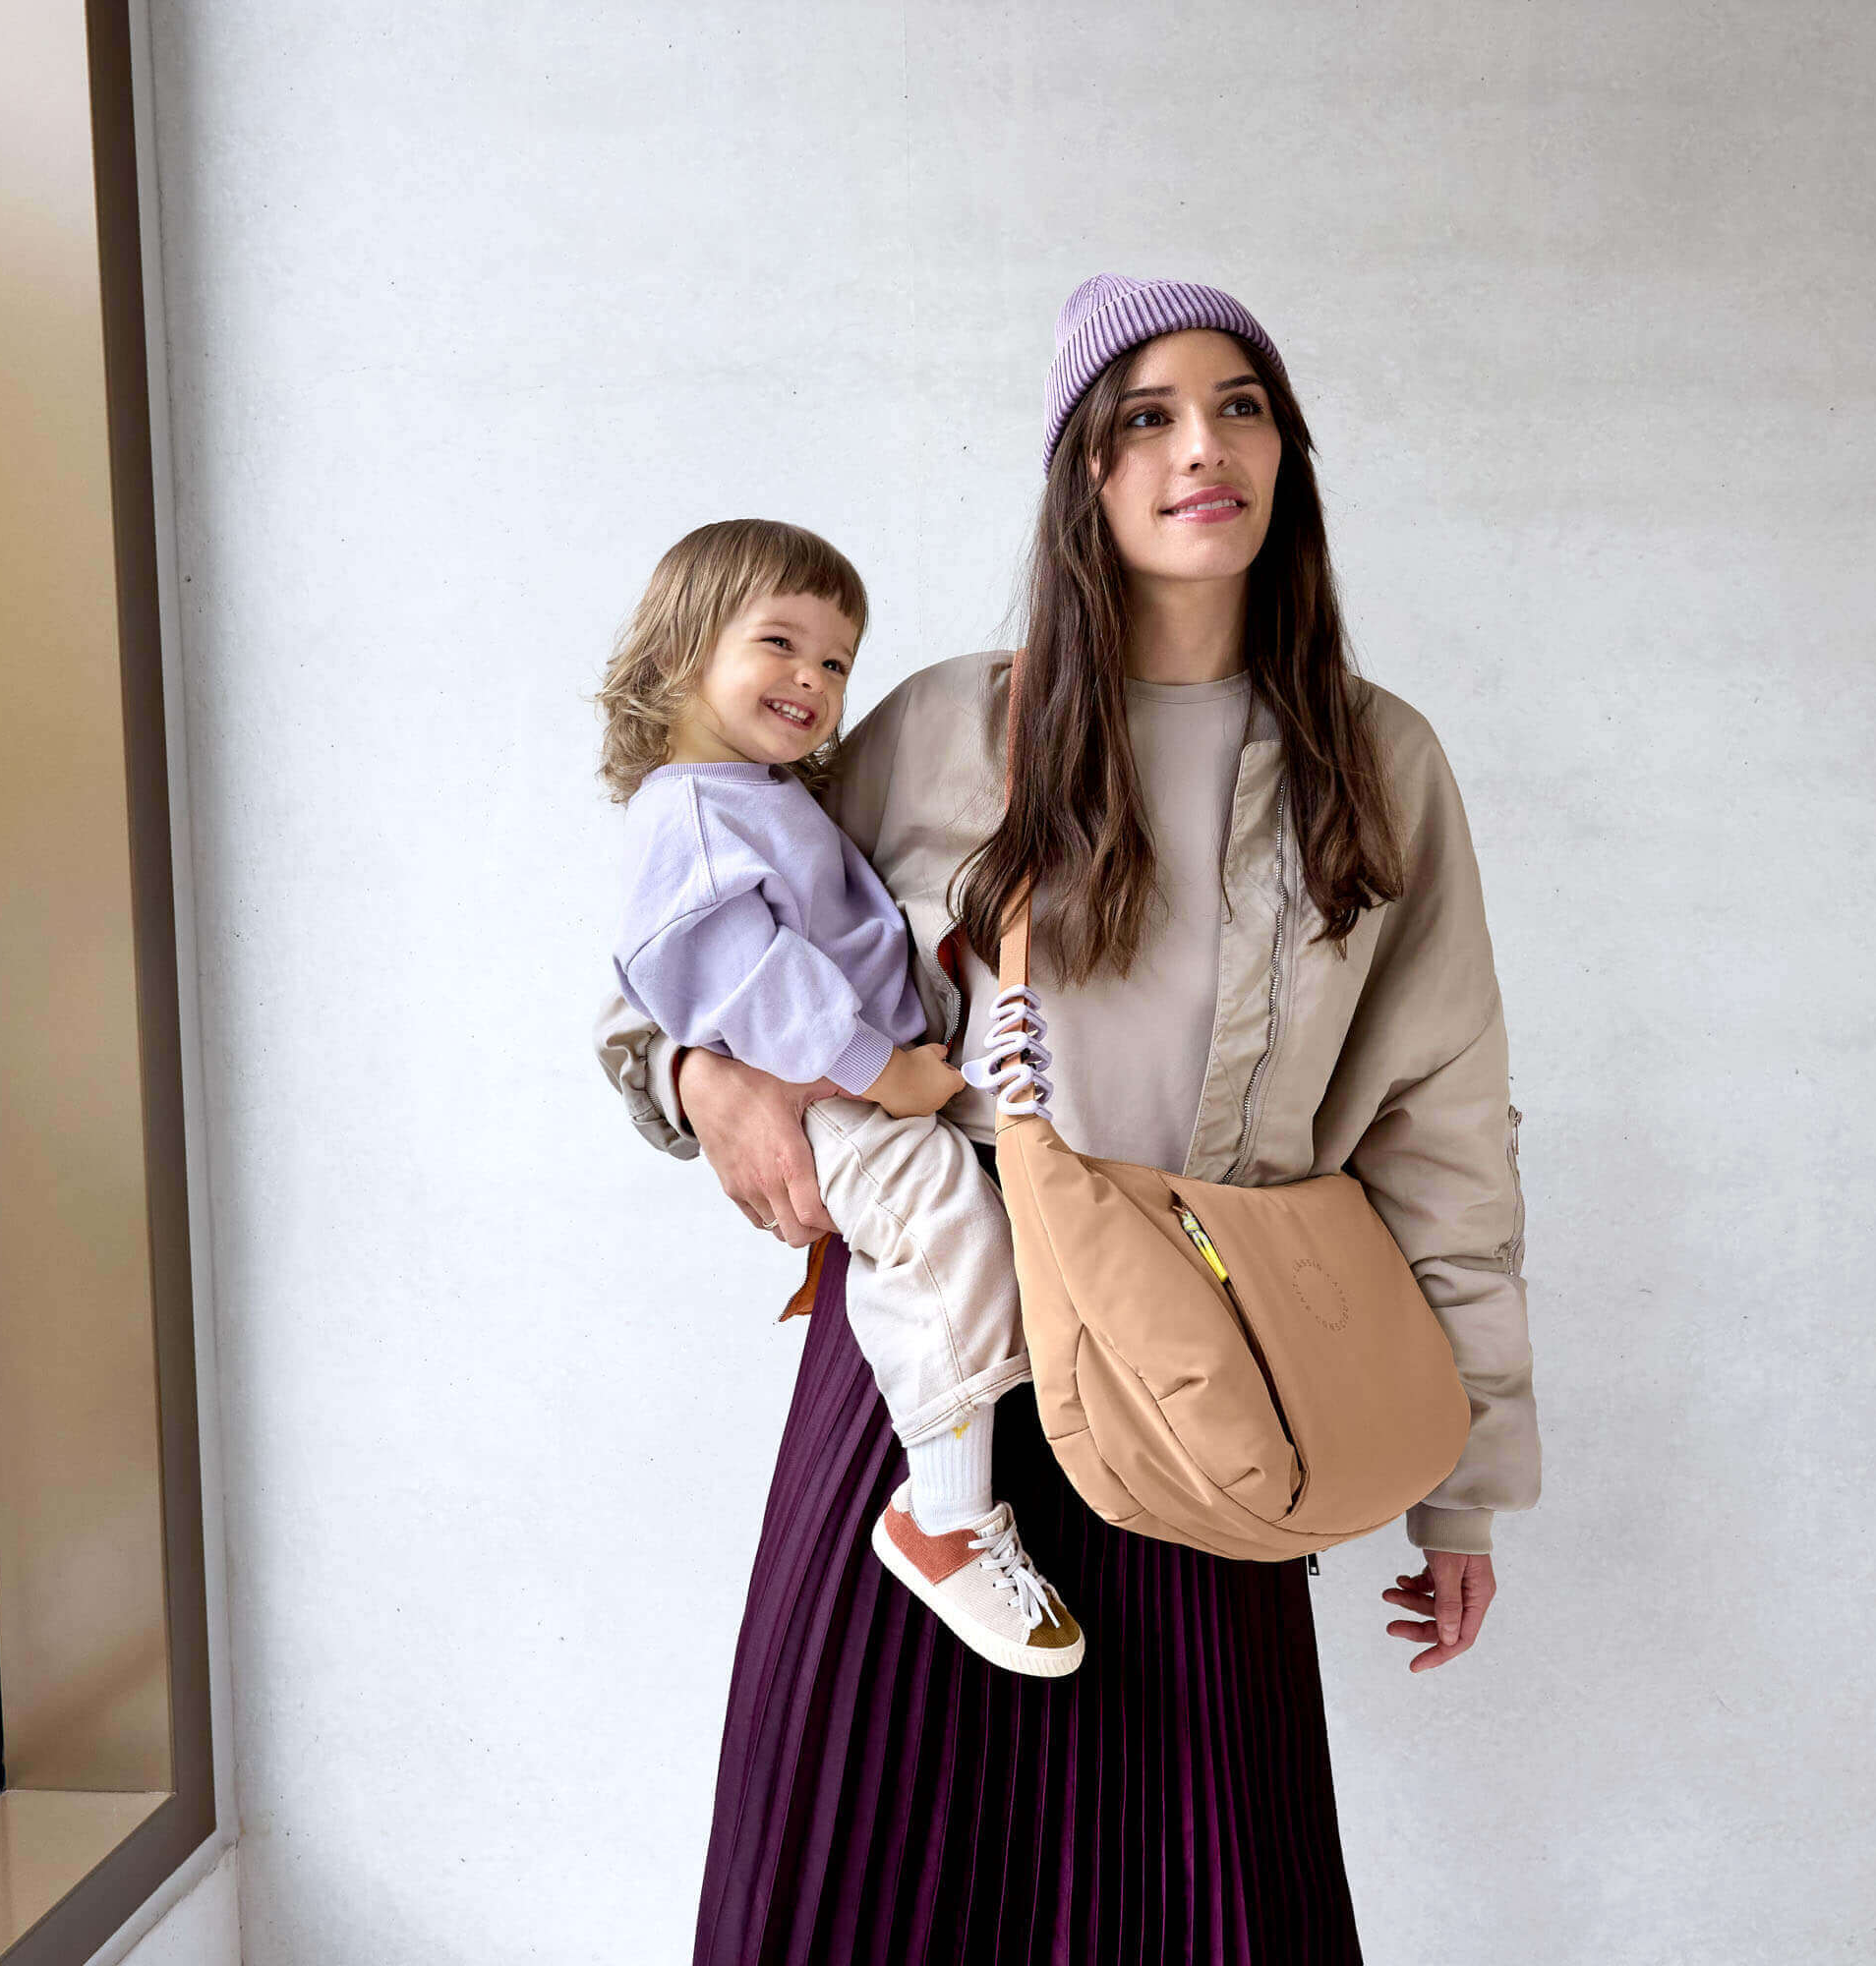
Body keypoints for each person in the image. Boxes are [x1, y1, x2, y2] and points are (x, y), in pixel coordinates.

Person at [593, 275, 1537, 1963]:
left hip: (1209, 1387)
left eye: (1240, 407)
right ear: (1082, 472)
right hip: (929, 1409)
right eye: (1145, 417)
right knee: (855, 1896)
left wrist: (1459, 1488)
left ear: (1288, 455)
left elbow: (1445, 1131)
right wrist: (695, 1079)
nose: (1202, 449)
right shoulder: (946, 726)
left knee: (1202, 1907)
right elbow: (682, 934)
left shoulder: (1376, 763)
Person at [595, 517, 1083, 1679]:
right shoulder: (694, 813)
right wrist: (884, 1069)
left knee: (958, 1239)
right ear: (679, 649)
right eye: (781, 643)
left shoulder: (758, 794)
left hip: (875, 1081)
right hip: (840, 1097)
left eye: (835, 661)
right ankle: (945, 1515)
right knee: (946, 1239)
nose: (813, 679)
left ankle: (954, 1498)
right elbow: (755, 986)